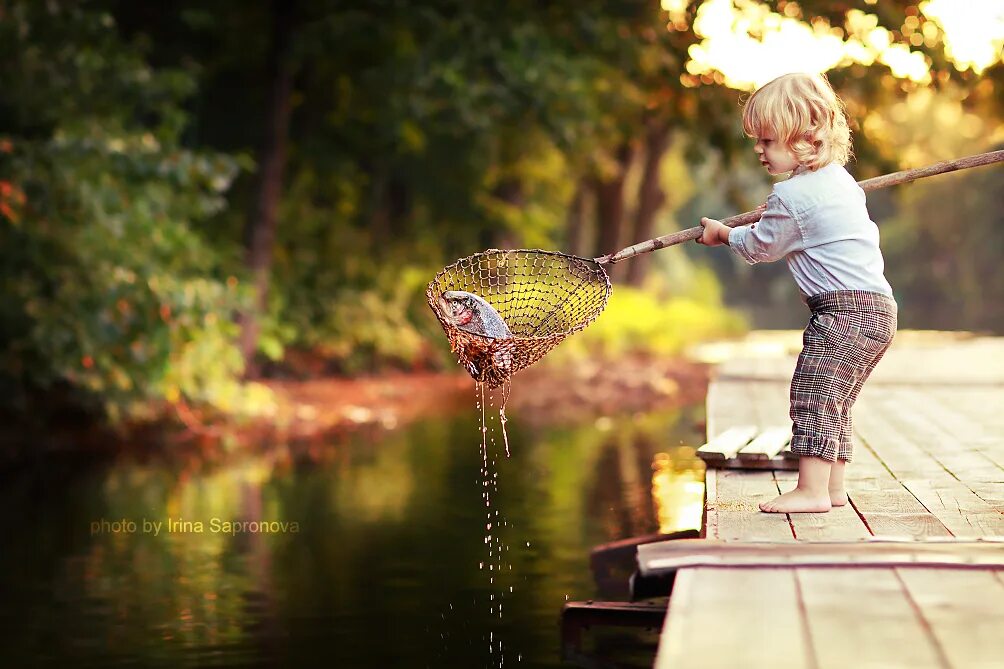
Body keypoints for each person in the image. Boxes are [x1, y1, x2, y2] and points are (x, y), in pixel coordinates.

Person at [696, 72, 897, 514]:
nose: (759, 150)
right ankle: (832, 489)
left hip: (844, 311)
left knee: (814, 392)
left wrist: (724, 235)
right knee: (836, 399)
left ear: (804, 137)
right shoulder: (837, 181)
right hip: (877, 309)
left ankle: (810, 492)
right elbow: (790, 226)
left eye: (767, 141)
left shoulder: (793, 197)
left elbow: (761, 246)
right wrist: (768, 216)